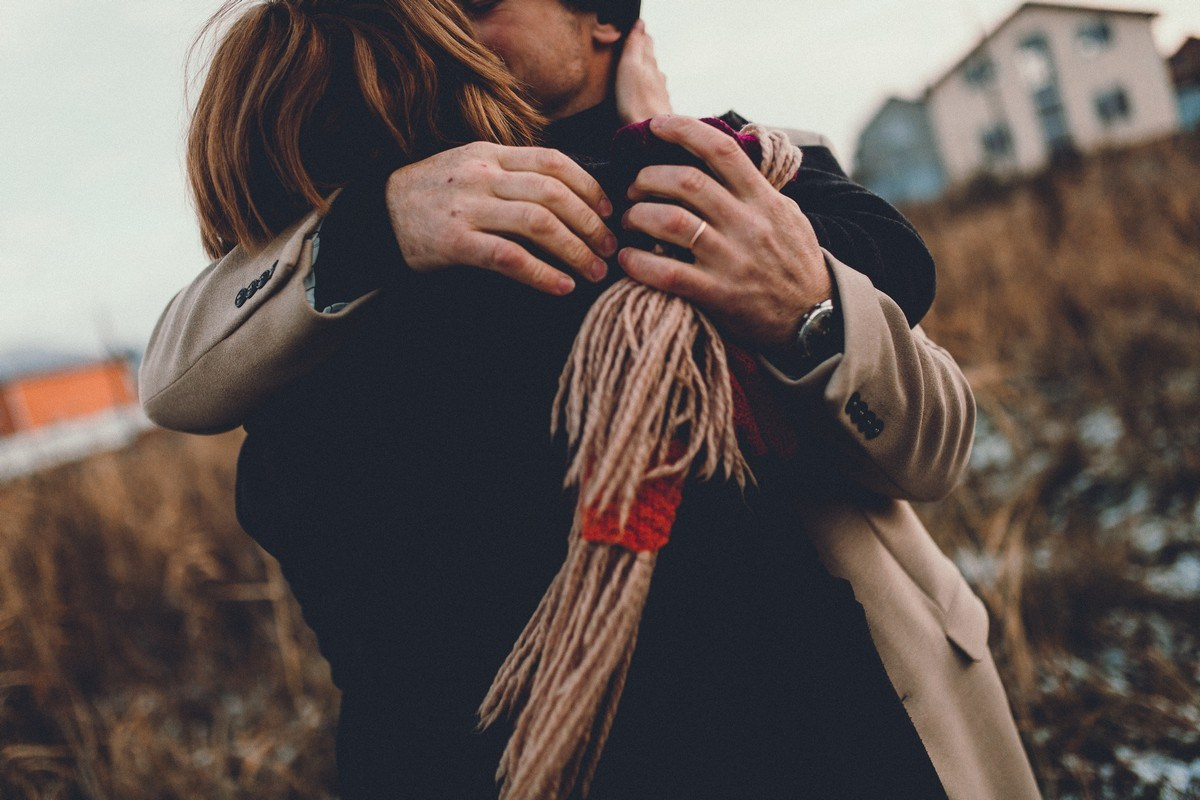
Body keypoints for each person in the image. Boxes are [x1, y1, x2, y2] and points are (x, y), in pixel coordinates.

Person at [142, 0, 1041, 797]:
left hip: (876, 682)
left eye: (480, 1)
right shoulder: (384, 246)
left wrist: (802, 308)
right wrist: (376, 222)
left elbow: (933, 441)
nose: (450, 22)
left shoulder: (765, 172)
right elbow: (175, 369)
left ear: (601, 18)